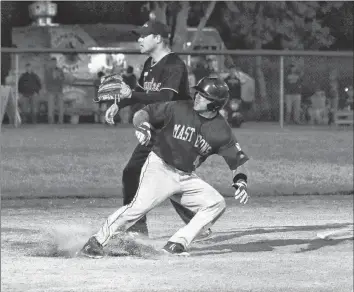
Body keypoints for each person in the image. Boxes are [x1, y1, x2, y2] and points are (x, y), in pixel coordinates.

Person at [80, 77, 250, 258]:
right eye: (197, 93)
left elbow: (238, 161)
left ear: (215, 105)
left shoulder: (221, 130)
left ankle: (177, 243)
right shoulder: (179, 108)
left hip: (186, 177)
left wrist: (240, 181)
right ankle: (96, 241)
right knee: (138, 208)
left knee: (216, 203)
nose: (197, 97)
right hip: (159, 167)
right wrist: (143, 126)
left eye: (203, 96)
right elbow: (144, 113)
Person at [104, 20, 212, 239]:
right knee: (140, 173)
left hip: (176, 130)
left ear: (158, 38)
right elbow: (142, 92)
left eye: (144, 35)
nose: (139, 39)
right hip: (157, 129)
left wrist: (131, 96)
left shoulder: (174, 65)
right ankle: (144, 227)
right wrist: (119, 103)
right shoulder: (149, 65)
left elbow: (166, 97)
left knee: (151, 175)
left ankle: (138, 228)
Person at [44, 58, 65, 124]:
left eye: (55, 62)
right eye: (52, 62)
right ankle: (51, 121)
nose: (54, 64)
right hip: (51, 90)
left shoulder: (60, 70)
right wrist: (53, 76)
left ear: (56, 63)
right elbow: (46, 80)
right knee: (51, 107)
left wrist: (59, 77)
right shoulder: (47, 71)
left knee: (61, 107)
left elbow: (63, 79)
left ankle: (60, 121)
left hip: (59, 90)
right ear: (50, 63)